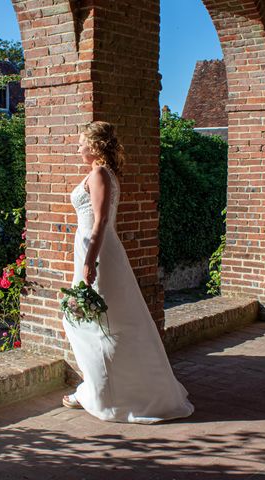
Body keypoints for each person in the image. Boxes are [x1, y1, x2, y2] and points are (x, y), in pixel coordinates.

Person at [62, 121, 195, 424]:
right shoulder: (104, 174)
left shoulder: (98, 174)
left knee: (91, 321)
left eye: (82, 142)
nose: (78, 147)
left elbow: (99, 222)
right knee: (104, 320)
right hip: (96, 250)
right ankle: (104, 389)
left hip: (95, 252)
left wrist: (89, 263)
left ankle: (104, 394)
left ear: (95, 145)